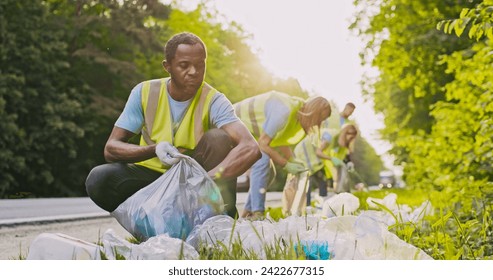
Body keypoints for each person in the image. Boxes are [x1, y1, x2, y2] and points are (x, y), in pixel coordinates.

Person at [85, 32, 261, 219]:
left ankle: (217, 222)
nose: (194, 71)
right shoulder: (144, 92)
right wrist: (154, 149)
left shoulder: (214, 100)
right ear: (167, 66)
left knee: (219, 139)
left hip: (193, 181)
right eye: (184, 65)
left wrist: (208, 180)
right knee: (99, 179)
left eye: (200, 65)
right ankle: (149, 224)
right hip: (152, 178)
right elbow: (111, 149)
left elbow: (250, 147)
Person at [234, 91, 331, 219]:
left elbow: (278, 140)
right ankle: (257, 213)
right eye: (319, 119)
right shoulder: (283, 111)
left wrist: (292, 159)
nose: (317, 124)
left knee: (270, 173)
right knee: (262, 161)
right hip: (231, 123)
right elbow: (263, 144)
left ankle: (248, 211)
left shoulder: (295, 114)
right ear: (313, 113)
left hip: (248, 132)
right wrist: (286, 164)